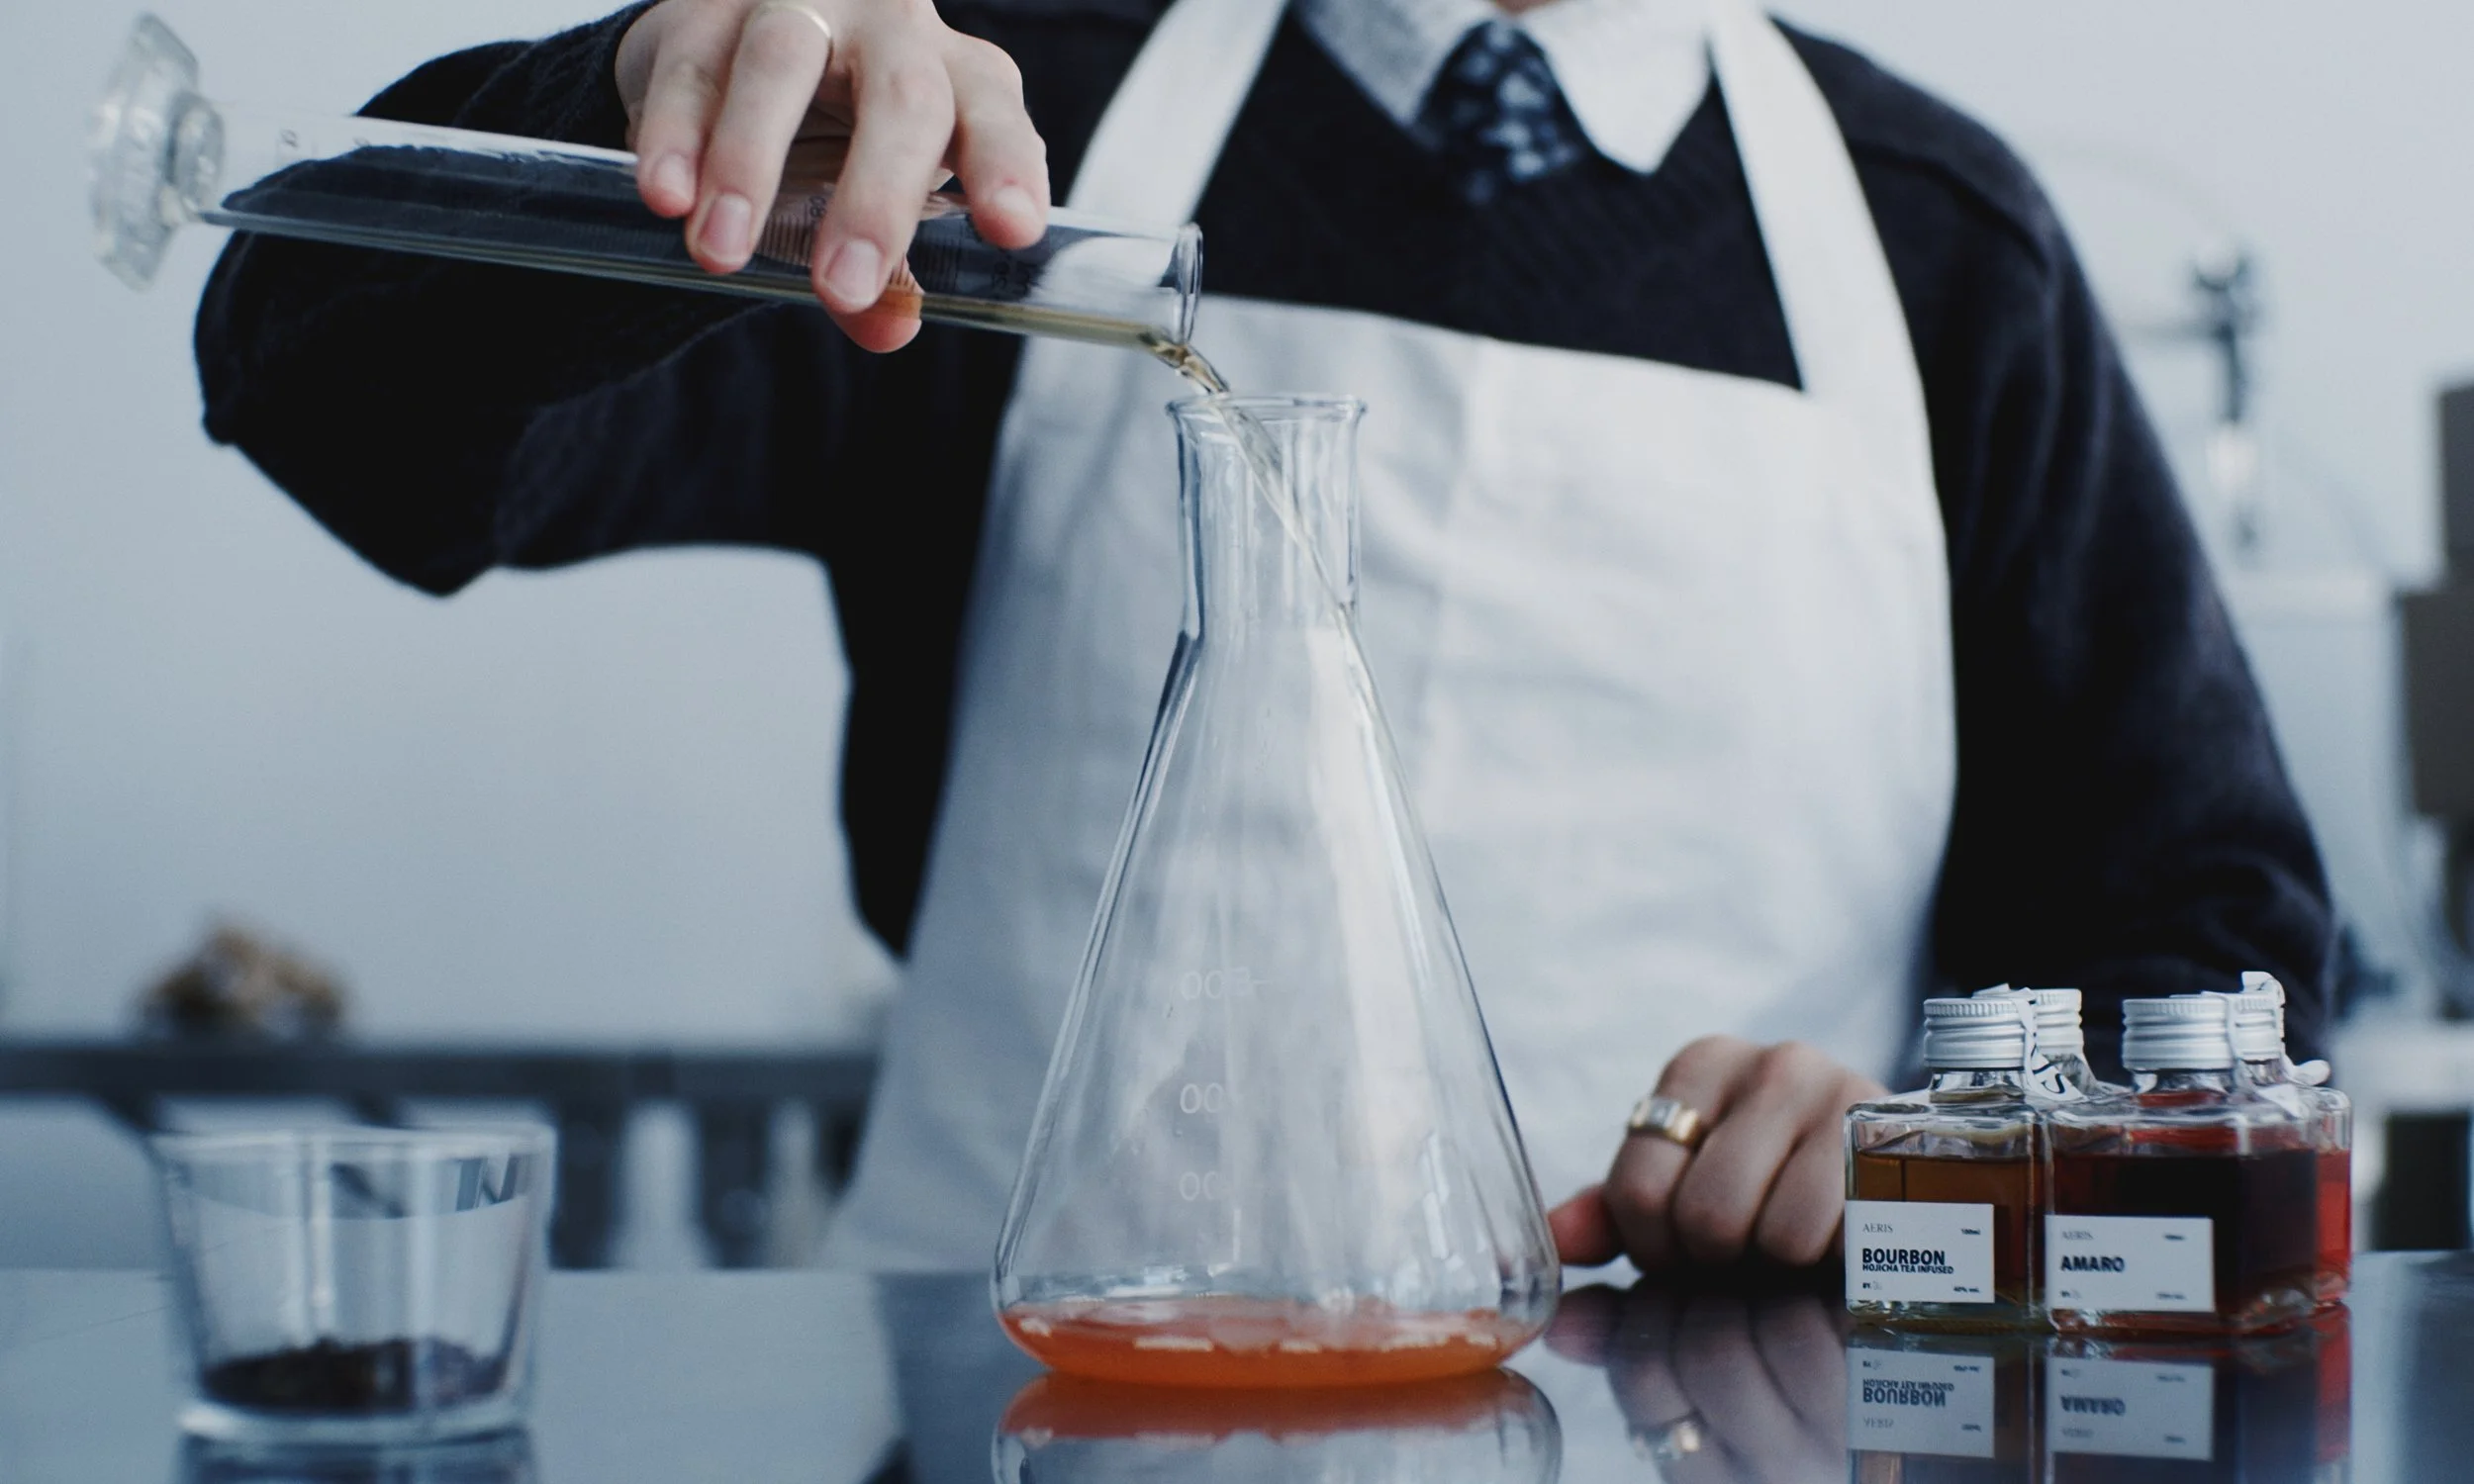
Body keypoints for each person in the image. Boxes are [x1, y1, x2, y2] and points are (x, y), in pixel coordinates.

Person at [193, 0, 2333, 1274]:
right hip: (1021, 1398)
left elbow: (2201, 935)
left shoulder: (1932, 236)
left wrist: (1936, 1152)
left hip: (1706, 1419)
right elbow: (330, 396)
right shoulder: (992, 130)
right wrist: (646, 97)